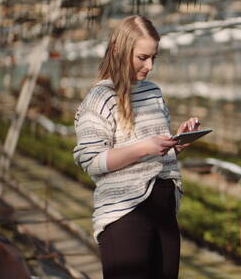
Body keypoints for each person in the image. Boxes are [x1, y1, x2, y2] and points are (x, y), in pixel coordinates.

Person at [73, 15, 198, 279]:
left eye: (154, 57)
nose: (150, 66)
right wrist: (144, 147)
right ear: (119, 50)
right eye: (143, 57)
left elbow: (156, 152)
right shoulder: (100, 98)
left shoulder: (153, 92)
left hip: (164, 207)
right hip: (125, 212)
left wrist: (177, 142)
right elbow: (92, 161)